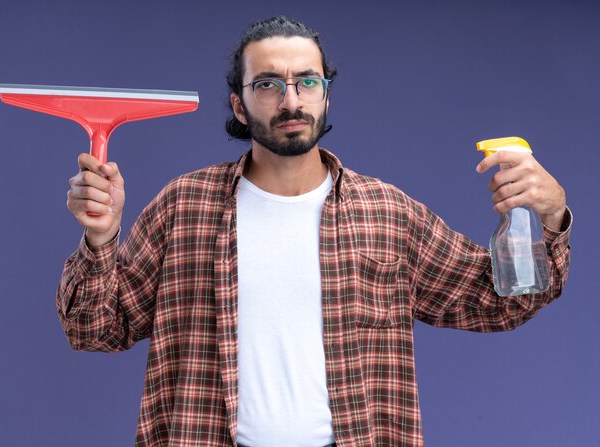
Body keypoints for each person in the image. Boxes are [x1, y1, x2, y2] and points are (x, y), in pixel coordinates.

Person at [58, 16, 571, 447]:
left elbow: (502, 300)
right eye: (267, 84)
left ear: (326, 95)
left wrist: (550, 218)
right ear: (239, 104)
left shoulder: (386, 214)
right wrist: (101, 241)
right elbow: (94, 330)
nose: (291, 101)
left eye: (307, 81)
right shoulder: (183, 207)